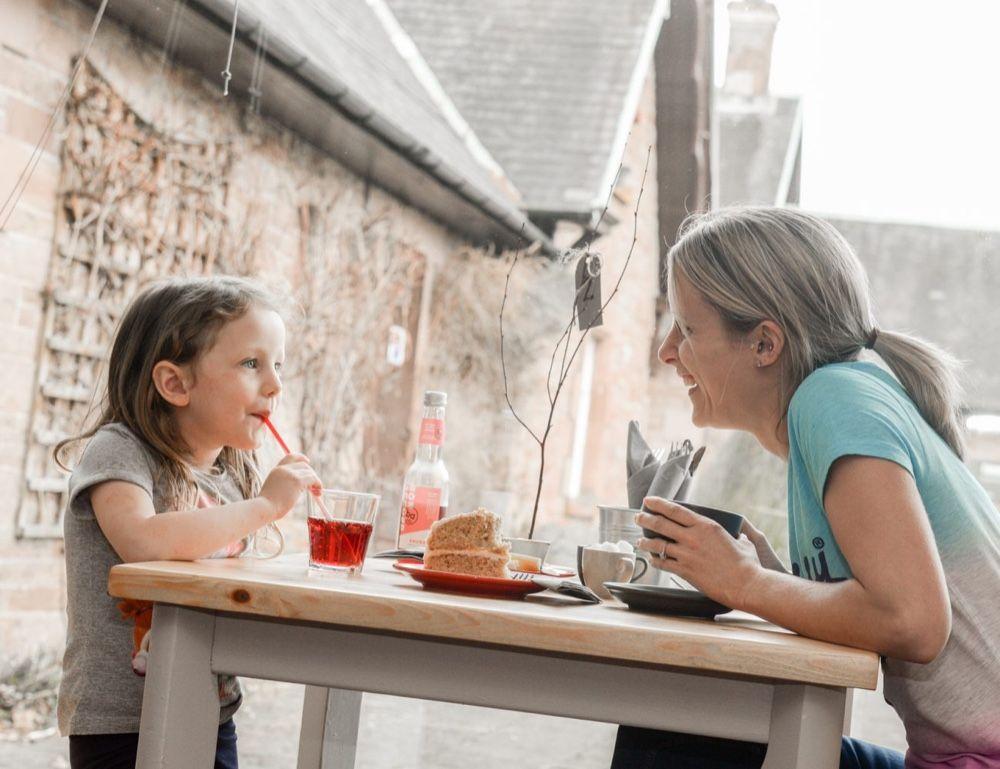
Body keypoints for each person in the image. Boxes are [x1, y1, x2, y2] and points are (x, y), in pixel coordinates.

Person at [613, 208, 1000, 769]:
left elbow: (912, 622)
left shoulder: (832, 399)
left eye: (688, 329)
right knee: (681, 723)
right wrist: (773, 580)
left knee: (671, 735)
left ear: (764, 344)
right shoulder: (849, 394)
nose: (667, 350)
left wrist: (746, 582)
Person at [55, 276, 322, 769]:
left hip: (211, 713)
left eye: (278, 364)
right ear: (176, 384)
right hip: (122, 726)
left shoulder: (232, 476)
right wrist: (265, 507)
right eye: (251, 363)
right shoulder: (120, 452)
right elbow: (141, 541)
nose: (275, 384)